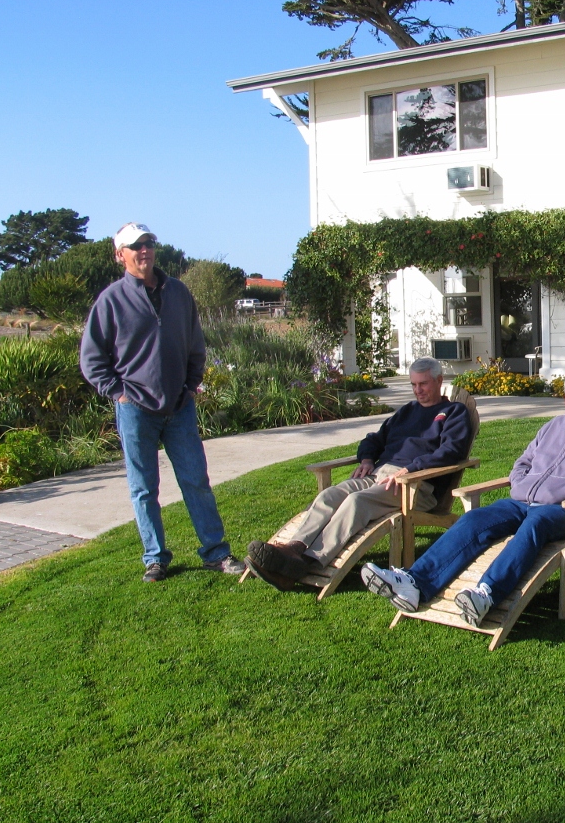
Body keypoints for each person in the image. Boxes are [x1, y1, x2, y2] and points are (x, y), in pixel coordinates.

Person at [362, 367, 565, 626]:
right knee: (475, 520)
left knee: (535, 524)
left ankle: (486, 594)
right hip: (522, 501)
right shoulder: (552, 427)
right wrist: (520, 483)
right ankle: (415, 583)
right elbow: (522, 463)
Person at [79, 222, 245, 582]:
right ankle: (155, 558)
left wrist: (190, 386)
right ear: (119, 255)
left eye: (149, 243)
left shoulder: (179, 293)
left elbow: (195, 345)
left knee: (196, 480)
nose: (144, 251)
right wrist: (118, 392)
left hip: (179, 408)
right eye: (135, 246)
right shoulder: (110, 301)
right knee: (144, 489)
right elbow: (92, 359)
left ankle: (216, 554)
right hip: (135, 410)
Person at [245, 357, 472, 589]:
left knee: (356, 502)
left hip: (415, 485)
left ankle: (307, 561)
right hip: (378, 475)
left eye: (423, 384)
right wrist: (366, 459)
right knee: (329, 496)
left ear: (439, 380)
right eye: (413, 385)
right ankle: (294, 548)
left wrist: (411, 469)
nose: (418, 390)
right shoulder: (407, 411)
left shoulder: (454, 411)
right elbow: (374, 439)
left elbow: (452, 451)